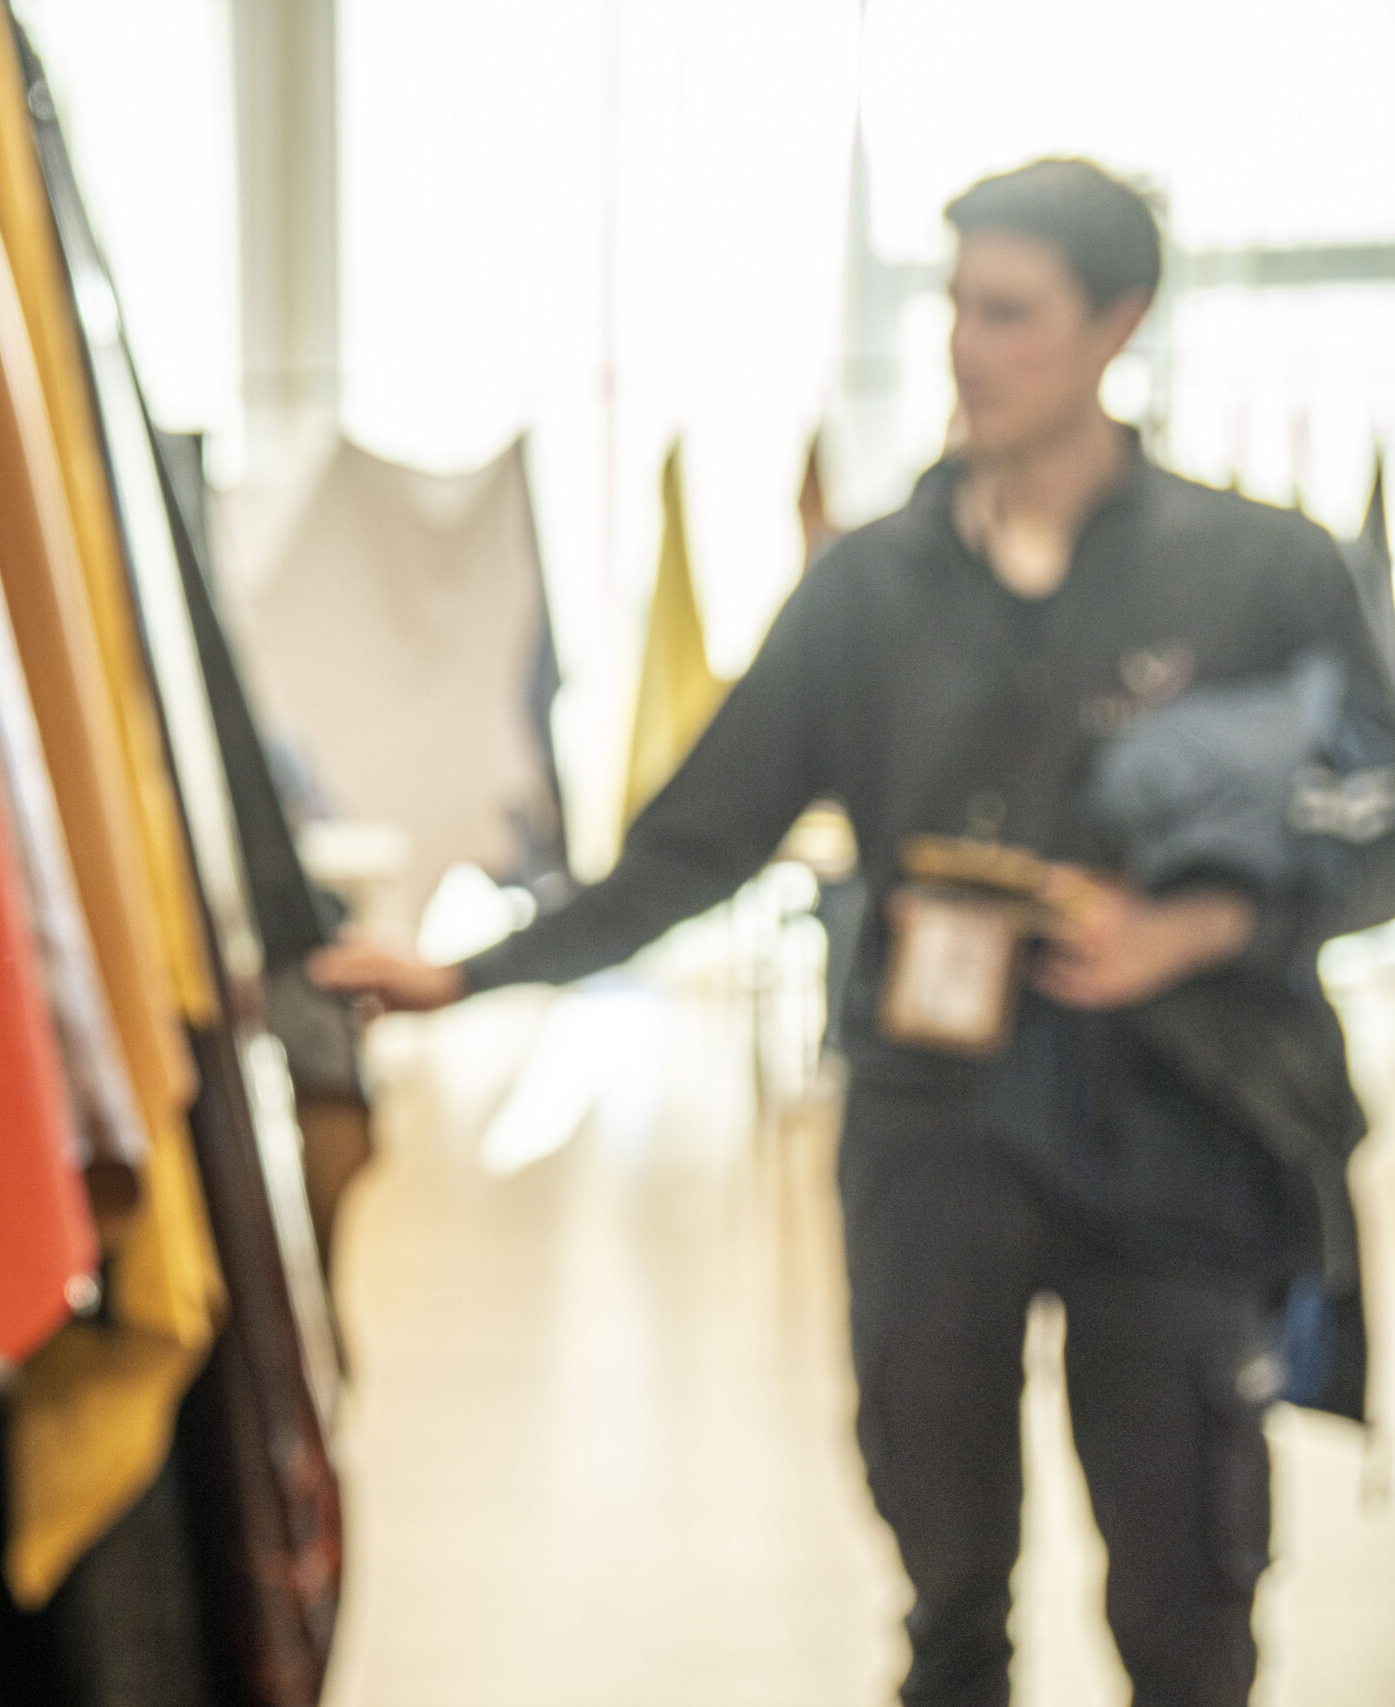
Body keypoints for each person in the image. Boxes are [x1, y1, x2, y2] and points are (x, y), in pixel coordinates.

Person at [311, 158, 1387, 1707]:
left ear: (1116, 323)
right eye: (956, 305)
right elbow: (700, 837)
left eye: (1008, 312)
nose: (964, 344)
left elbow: (1378, 816)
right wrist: (469, 971)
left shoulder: (1261, 573)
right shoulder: (871, 591)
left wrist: (1195, 924)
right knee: (945, 1598)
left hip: (1179, 1128)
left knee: (1186, 1613)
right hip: (933, 1138)